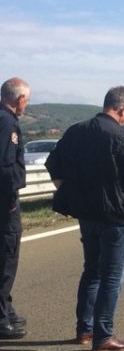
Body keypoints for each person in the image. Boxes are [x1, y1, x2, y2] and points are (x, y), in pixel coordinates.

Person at [45, 86, 124, 351]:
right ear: (123, 109)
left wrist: (65, 188)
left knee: (91, 270)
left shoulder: (76, 131)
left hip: (86, 213)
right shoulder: (120, 135)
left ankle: (84, 330)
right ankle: (104, 336)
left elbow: (52, 162)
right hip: (116, 214)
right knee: (112, 276)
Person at [0, 78, 30, 339]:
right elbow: (7, 167)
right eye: (26, 100)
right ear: (19, 99)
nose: (26, 105)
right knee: (6, 258)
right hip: (4, 203)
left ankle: (5, 309)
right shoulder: (8, 123)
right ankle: (1, 318)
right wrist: (10, 200)